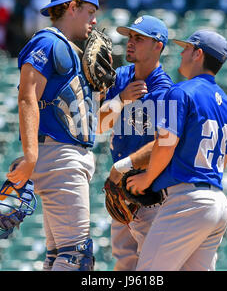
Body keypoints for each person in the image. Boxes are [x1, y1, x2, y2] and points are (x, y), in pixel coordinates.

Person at [6, 0, 102, 271]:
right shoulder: (48, 41)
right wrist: (31, 155)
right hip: (60, 156)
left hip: (64, 153)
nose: (94, 20)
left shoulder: (68, 49)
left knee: (59, 255)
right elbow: (27, 98)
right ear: (72, 8)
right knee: (76, 257)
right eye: (89, 11)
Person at [126, 29, 227, 271]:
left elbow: (166, 143)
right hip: (217, 202)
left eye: (186, 48)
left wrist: (147, 178)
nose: (181, 53)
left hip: (186, 202)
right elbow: (224, 159)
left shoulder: (181, 91)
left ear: (198, 54)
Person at [98, 15, 173, 270]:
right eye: (130, 37)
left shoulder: (165, 91)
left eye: (139, 38)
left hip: (149, 194)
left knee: (151, 268)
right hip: (119, 190)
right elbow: (97, 126)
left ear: (158, 46)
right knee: (124, 264)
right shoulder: (121, 77)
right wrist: (119, 101)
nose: (131, 42)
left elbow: (165, 145)